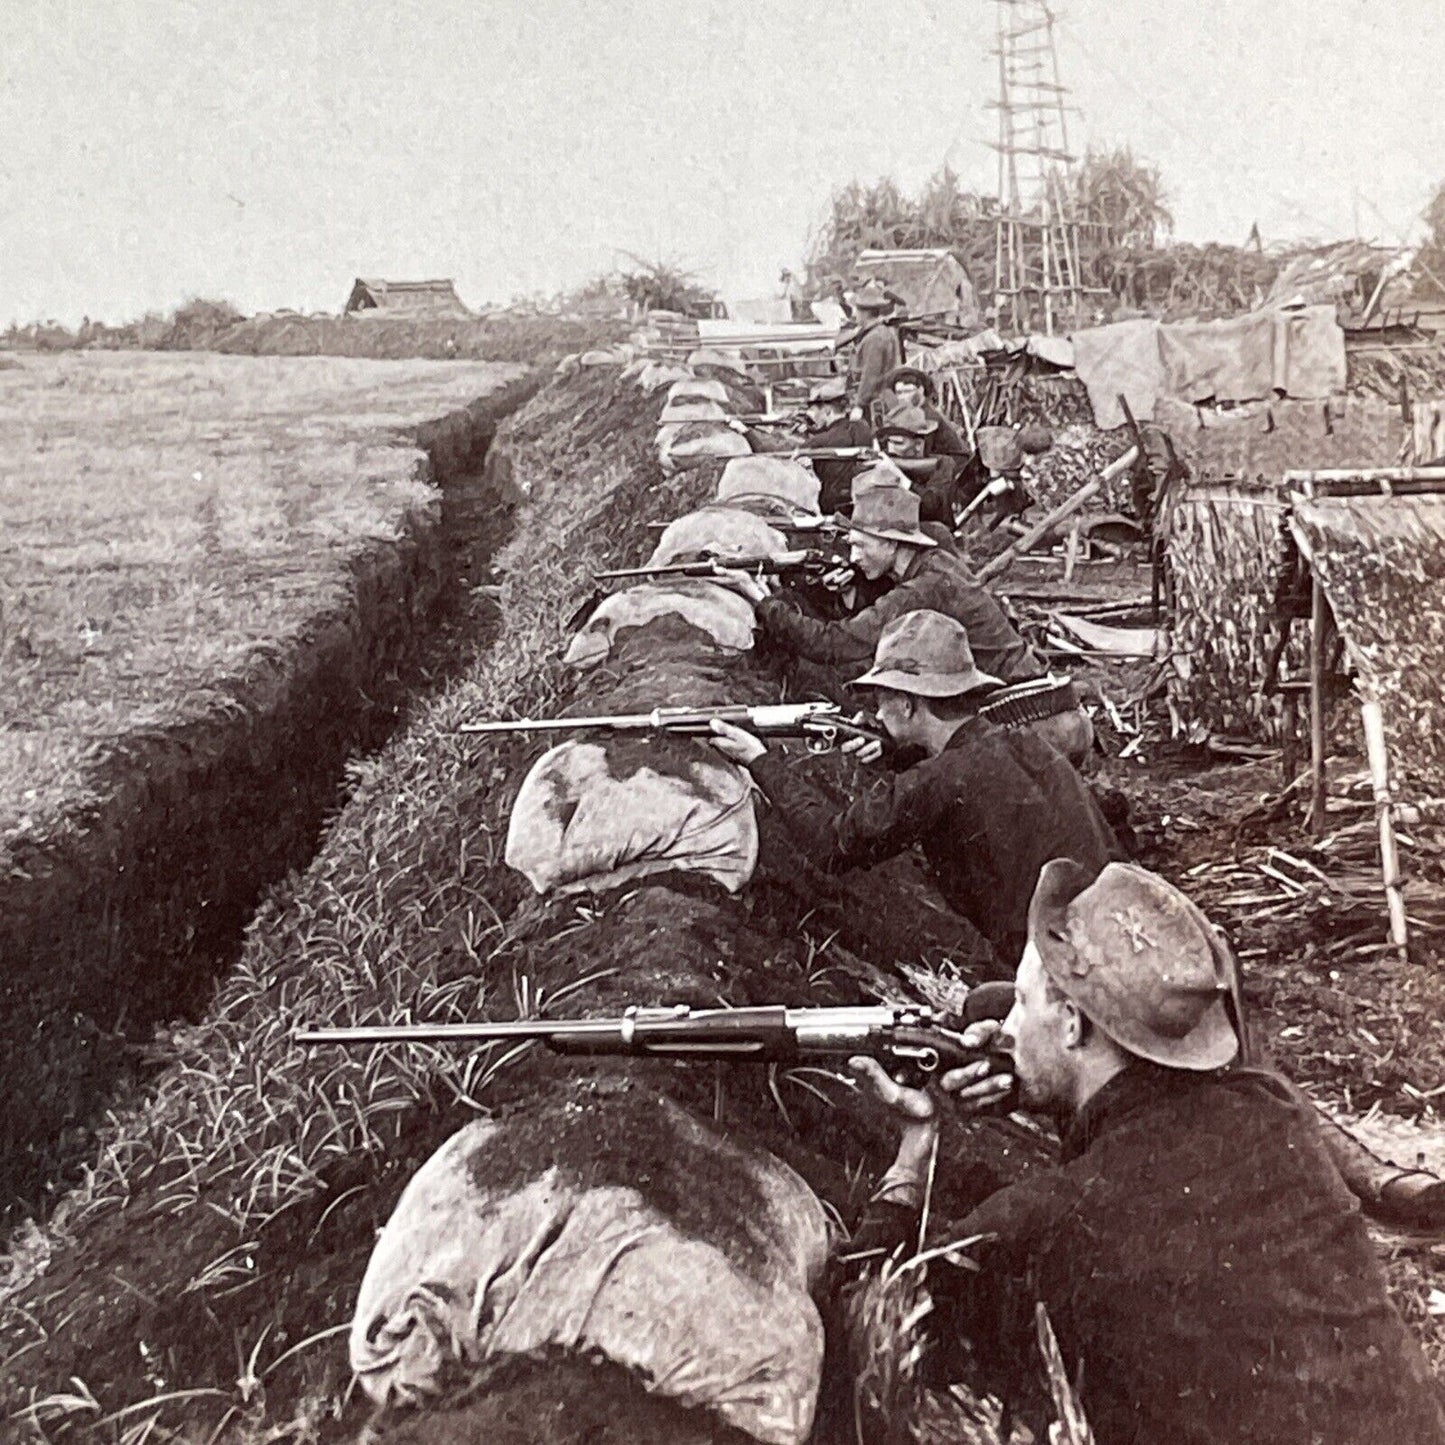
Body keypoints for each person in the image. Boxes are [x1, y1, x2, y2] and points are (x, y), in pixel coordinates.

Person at [844, 859, 1445, 1445]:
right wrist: (1045, 1085)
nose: (1007, 1022)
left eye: (1021, 1005)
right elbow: (1131, 1138)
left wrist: (914, 1149)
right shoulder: (1270, 1106)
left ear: (1075, 1026)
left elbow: (871, 1330)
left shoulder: (1046, 1222)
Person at [708, 611, 1119, 968]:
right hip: (1110, 933)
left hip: (1060, 966)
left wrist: (759, 761)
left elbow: (831, 845)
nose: (876, 713)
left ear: (907, 704)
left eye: (883, 701)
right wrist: (896, 755)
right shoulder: (1019, 741)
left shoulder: (938, 778)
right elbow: (961, 774)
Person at [723, 484, 1047, 684]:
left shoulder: (925, 586)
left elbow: (835, 645)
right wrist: (851, 591)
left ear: (893, 544)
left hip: (1012, 701)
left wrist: (759, 599)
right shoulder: (935, 562)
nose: (853, 556)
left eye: (861, 546)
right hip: (1020, 679)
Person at [733, 377, 874, 513]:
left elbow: (778, 454)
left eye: (813, 410)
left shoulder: (819, 442)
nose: (810, 414)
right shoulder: (863, 429)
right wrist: (811, 429)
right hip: (862, 503)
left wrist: (746, 432)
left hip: (829, 508)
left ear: (827, 411)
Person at [842, 281, 902, 416]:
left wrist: (859, 404)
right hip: (884, 398)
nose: (855, 314)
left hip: (874, 404)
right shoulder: (885, 332)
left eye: (856, 310)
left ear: (864, 312)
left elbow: (871, 375)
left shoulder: (874, 338)